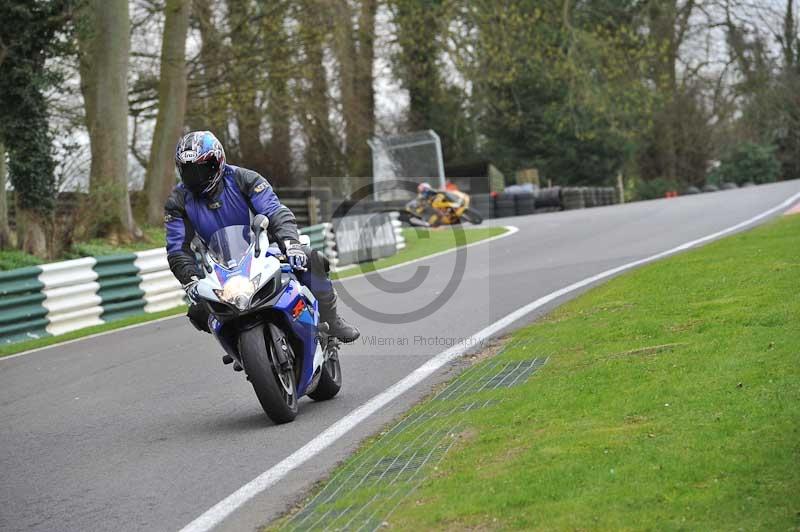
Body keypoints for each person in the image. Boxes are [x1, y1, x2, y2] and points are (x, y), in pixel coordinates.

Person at [164, 130, 360, 342]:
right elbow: (177, 248)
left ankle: (332, 321)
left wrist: (291, 244)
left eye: (203, 169)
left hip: (265, 249)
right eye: (190, 171)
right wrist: (190, 279)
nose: (197, 177)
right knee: (198, 312)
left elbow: (276, 212)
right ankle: (239, 345)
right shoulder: (178, 201)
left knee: (313, 261)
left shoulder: (245, 179)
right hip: (218, 266)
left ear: (218, 162)